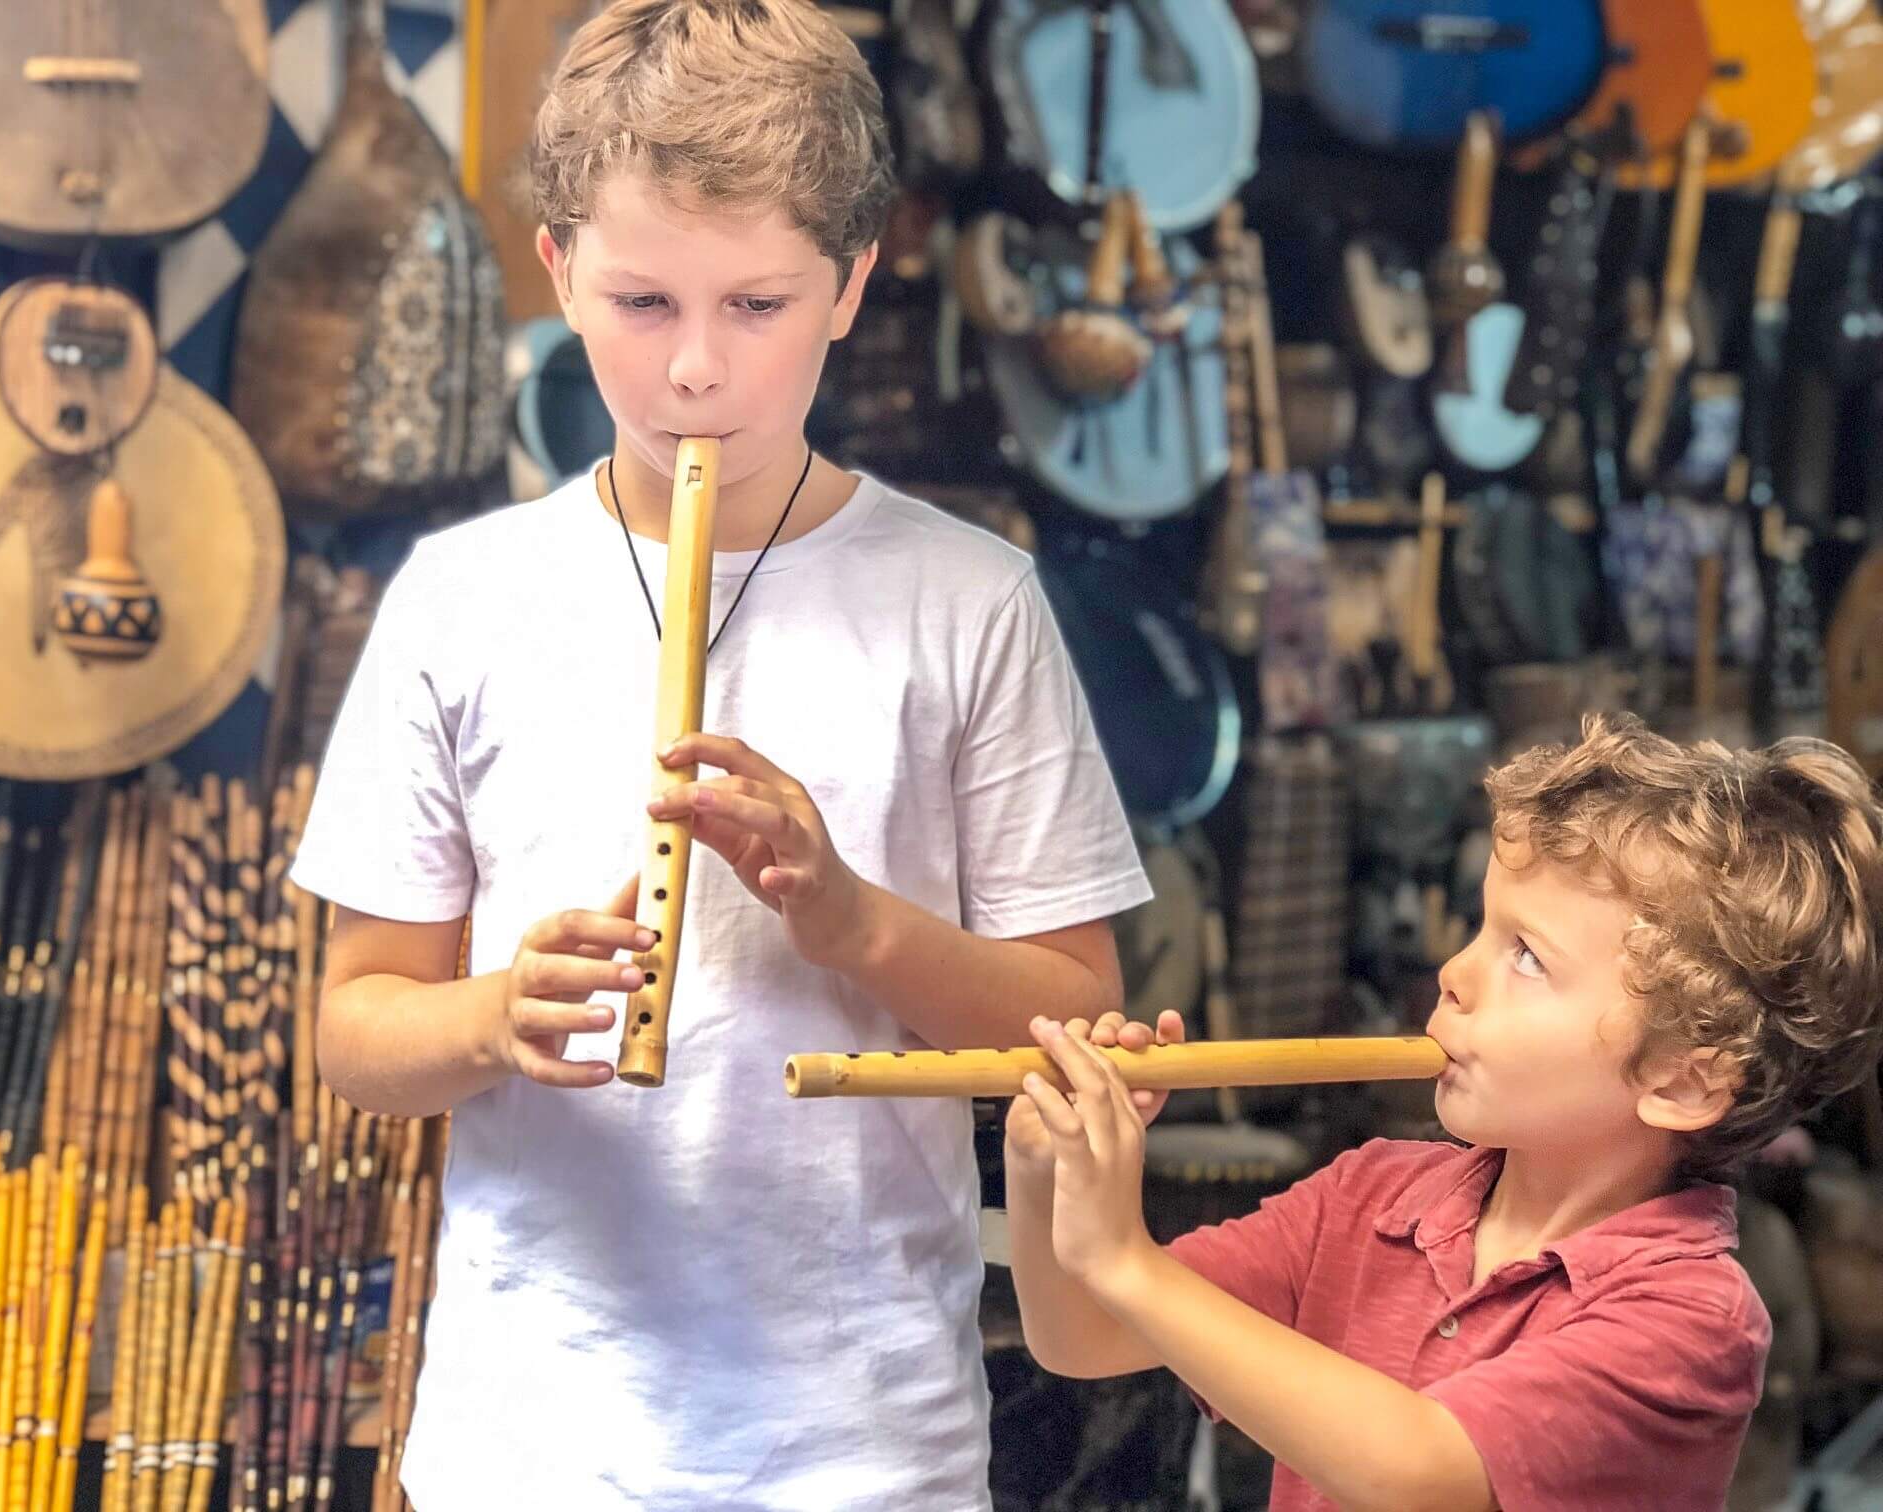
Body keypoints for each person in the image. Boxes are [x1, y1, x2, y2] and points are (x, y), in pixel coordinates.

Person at [286, 0, 1153, 1505]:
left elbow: (1075, 1019)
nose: (696, 369)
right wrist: (493, 1016)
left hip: (864, 1447)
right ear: (559, 272)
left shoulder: (970, 600)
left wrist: (854, 923)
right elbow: (356, 1034)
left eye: (757, 305)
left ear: (851, 285)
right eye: (642, 301)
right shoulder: (461, 598)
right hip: (530, 1446)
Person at [1006, 714, 1883, 1511]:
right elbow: (1083, 1336)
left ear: (1681, 1082)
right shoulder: (1369, 1198)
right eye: (1480, 929)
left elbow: (1418, 1475)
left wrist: (1127, 1259)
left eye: (1526, 956)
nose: (1454, 973)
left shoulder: (1689, 1320)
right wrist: (1049, 1163)